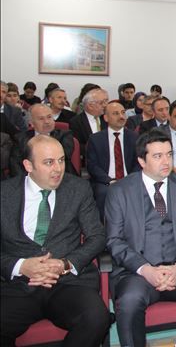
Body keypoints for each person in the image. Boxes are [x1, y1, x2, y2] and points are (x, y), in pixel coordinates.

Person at [105, 129, 176, 347]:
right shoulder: (120, 191)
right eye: (158, 156)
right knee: (130, 300)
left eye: (169, 154)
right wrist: (146, 270)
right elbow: (114, 241)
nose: (166, 161)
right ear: (141, 160)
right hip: (137, 273)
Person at [1, 135, 111, 345]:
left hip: (67, 284)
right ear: (28, 165)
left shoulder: (78, 188)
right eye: (49, 162)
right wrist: (21, 266)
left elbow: (97, 236)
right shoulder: (4, 194)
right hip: (18, 285)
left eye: (61, 160)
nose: (58, 169)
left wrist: (65, 264)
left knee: (96, 317)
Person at [86, 101, 140, 219]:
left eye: (123, 113)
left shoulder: (135, 137)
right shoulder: (95, 139)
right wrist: (109, 181)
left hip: (130, 179)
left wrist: (129, 179)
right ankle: (104, 227)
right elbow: (92, 165)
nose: (121, 116)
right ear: (106, 118)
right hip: (105, 181)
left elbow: (139, 163)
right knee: (103, 193)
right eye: (116, 113)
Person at [9, 104, 77, 177]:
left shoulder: (64, 135)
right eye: (41, 119)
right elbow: (15, 164)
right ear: (31, 123)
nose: (47, 121)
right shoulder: (20, 138)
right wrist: (25, 180)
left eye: (49, 117)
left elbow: (64, 156)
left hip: (62, 176)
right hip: (30, 177)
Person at [68, 88, 109, 152]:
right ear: (90, 106)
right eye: (101, 103)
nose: (105, 105)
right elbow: (77, 146)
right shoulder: (76, 122)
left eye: (106, 101)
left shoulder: (107, 118)